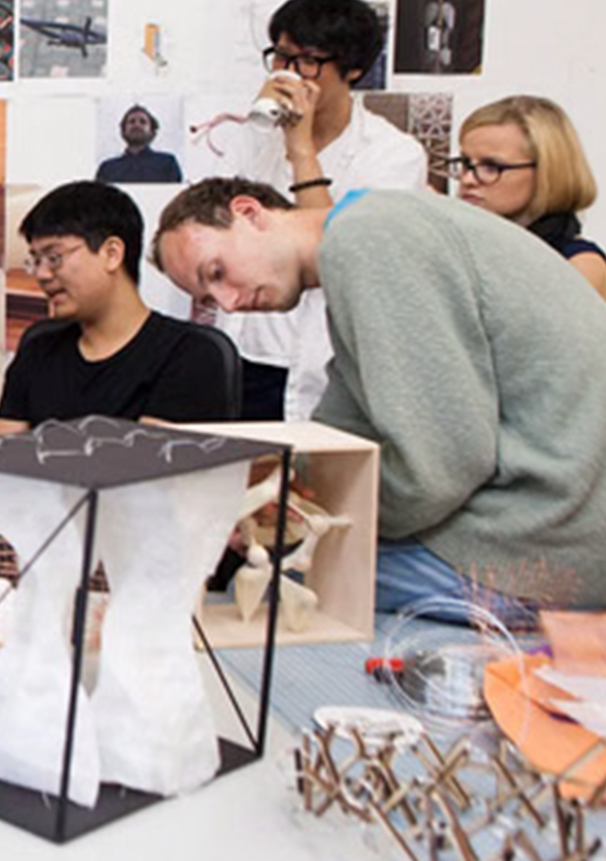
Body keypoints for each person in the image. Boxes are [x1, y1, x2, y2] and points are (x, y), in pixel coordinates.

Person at [152, 178, 606, 617]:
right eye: (210, 298)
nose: (229, 303)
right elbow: (341, 432)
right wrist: (272, 494)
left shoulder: (367, 240)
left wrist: (302, 513)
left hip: (551, 540)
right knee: (277, 563)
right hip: (560, 518)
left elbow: (440, 470)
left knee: (265, 592)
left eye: (217, 272)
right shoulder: (372, 231)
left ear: (249, 213)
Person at [208, 0, 427, 421]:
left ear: (354, 69)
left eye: (307, 61)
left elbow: (339, 253)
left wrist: (301, 147)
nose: (290, 73)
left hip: (322, 362)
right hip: (243, 348)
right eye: (281, 56)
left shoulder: (392, 154)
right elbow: (211, 225)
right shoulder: (254, 136)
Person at [0, 182, 235, 431]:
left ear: (111, 254)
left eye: (54, 258)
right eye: (35, 261)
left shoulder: (189, 353)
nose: (42, 275)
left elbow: (145, 453)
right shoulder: (37, 348)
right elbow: (2, 450)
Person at [451, 95, 606, 298]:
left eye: (491, 166)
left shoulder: (580, 265)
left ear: (547, 171)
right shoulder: (462, 249)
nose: (468, 179)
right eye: (465, 163)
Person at [94, 105, 183, 184]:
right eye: (132, 121)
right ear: (123, 132)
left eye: (143, 122)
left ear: (152, 132)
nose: (137, 125)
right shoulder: (108, 168)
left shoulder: (167, 163)